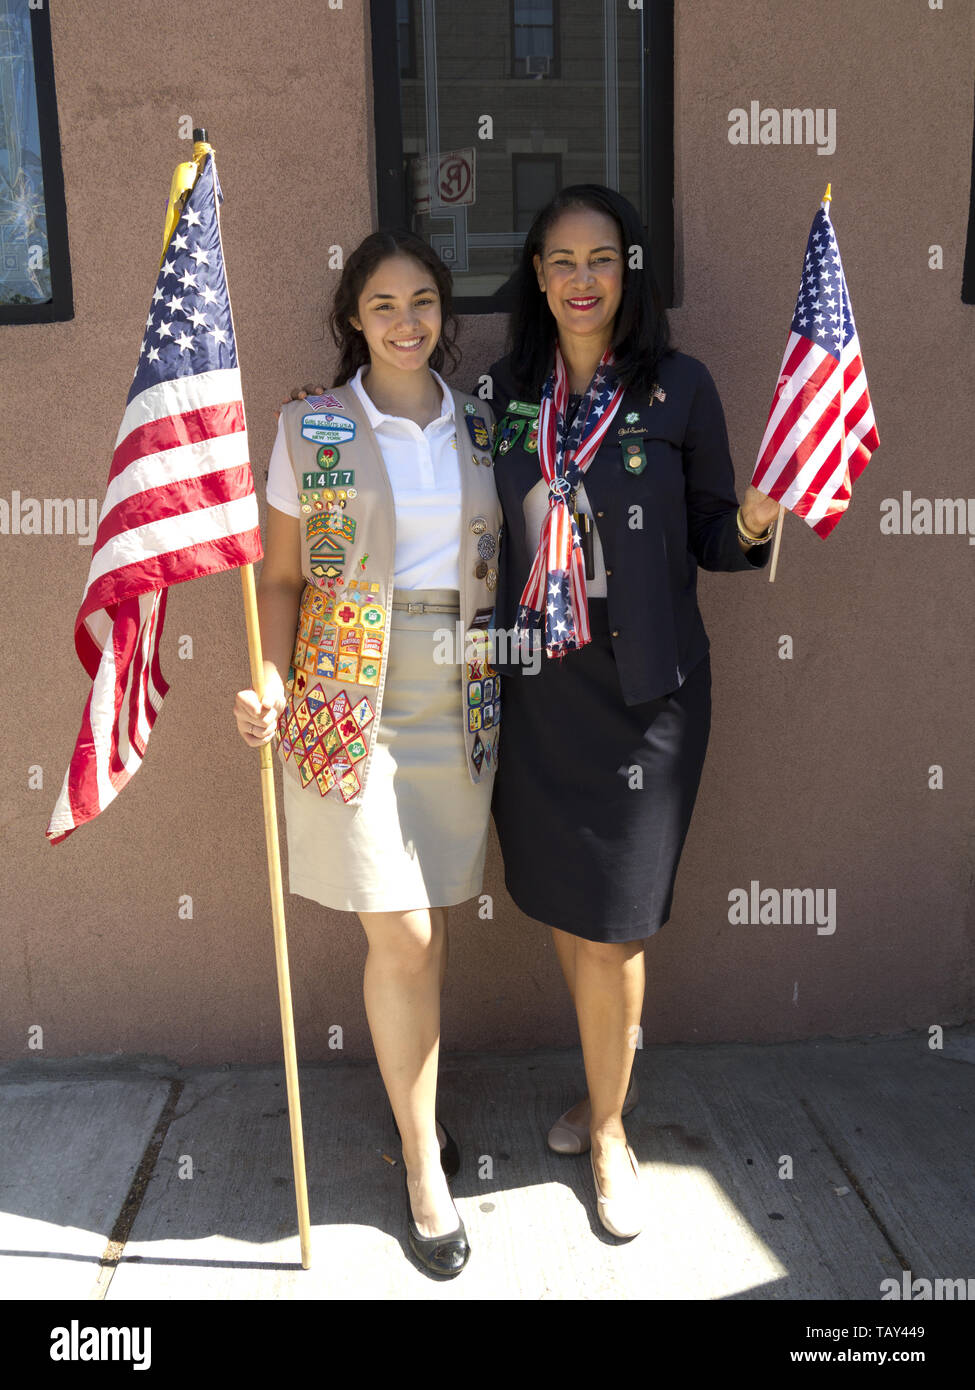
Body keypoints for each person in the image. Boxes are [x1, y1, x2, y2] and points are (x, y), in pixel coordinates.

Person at [479, 184, 779, 1238]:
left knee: (614, 926)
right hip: (543, 685)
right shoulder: (503, 389)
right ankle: (607, 1084)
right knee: (571, 907)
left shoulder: (681, 387)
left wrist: (745, 523)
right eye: (558, 259)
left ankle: (610, 1128)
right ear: (535, 274)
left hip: (648, 694)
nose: (579, 279)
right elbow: (448, 494)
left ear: (631, 272)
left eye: (600, 258)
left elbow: (710, 531)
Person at [234, 230, 502, 1277]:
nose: (405, 320)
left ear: (445, 311)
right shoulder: (313, 428)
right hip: (351, 698)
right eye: (382, 303)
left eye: (423, 299)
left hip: (461, 693)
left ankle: (416, 1114)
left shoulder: (483, 422)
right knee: (406, 934)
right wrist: (267, 677)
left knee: (428, 929)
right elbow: (279, 580)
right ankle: (421, 1165)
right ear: (353, 317)